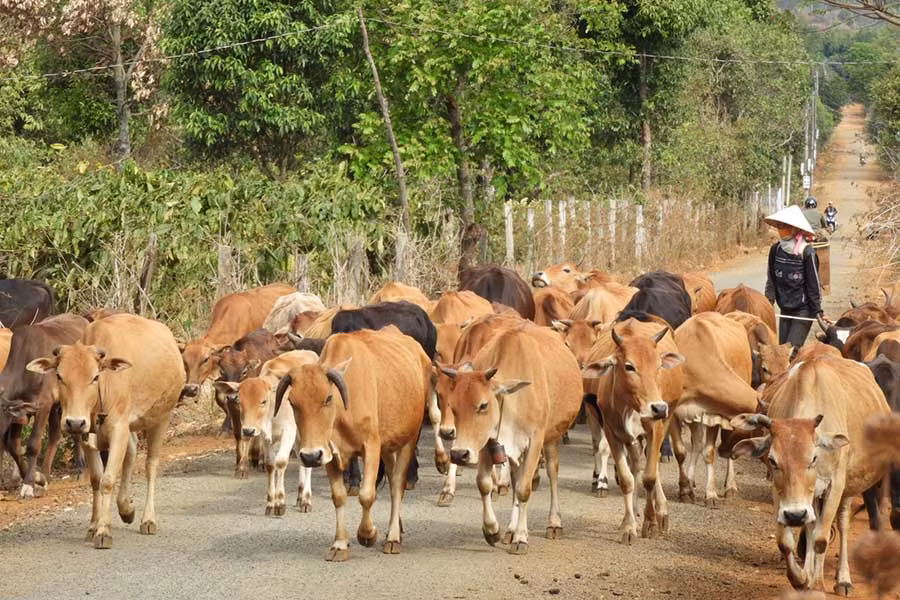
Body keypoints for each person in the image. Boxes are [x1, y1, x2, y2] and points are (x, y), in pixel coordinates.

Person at [764, 205, 828, 359]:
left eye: (784, 227)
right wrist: (768, 301)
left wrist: (818, 311)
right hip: (785, 308)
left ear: (794, 229)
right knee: (781, 352)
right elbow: (771, 278)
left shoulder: (807, 252)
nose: (781, 230)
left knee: (791, 352)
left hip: (803, 310)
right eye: (779, 226)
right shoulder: (776, 250)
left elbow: (813, 285)